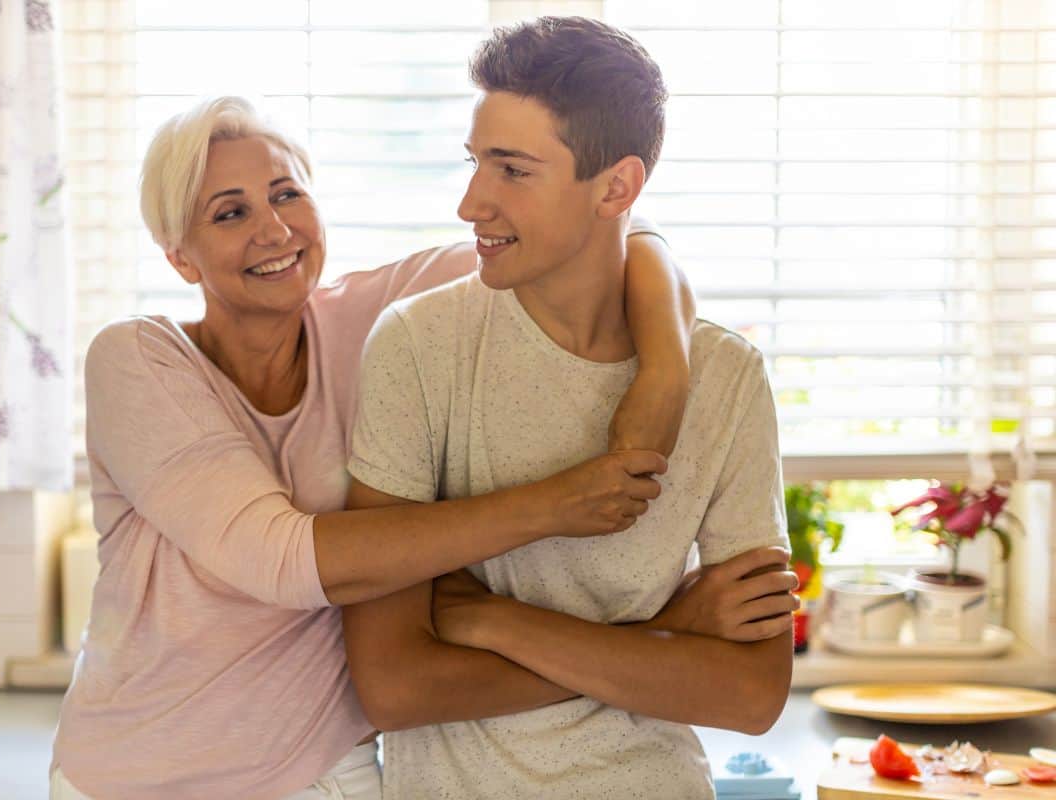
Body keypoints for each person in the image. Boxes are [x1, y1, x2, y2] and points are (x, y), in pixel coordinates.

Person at [48, 93, 701, 799]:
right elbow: (281, 560)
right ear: (181, 257)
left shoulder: (376, 320)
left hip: (329, 769)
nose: (273, 230)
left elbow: (601, 233)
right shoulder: (138, 359)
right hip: (142, 776)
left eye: (286, 194)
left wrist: (665, 369)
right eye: (230, 212)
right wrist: (558, 509)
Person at [342, 17, 795, 800]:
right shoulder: (418, 346)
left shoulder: (725, 377)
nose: (470, 203)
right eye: (477, 161)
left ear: (616, 187)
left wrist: (491, 620)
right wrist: (659, 644)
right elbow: (394, 686)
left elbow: (751, 695)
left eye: (512, 170)